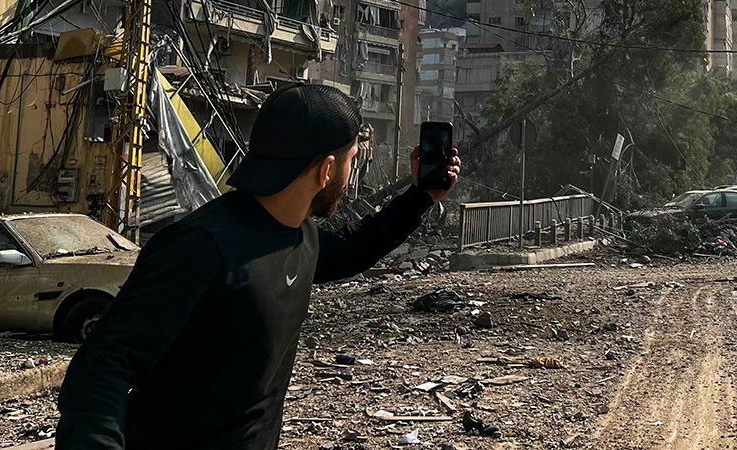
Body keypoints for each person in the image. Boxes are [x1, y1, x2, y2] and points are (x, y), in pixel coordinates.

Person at [56, 84, 459, 449]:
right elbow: (102, 366)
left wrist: (421, 197)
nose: (351, 173)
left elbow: (355, 249)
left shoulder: (302, 237)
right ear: (325, 170)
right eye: (352, 160)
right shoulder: (200, 245)